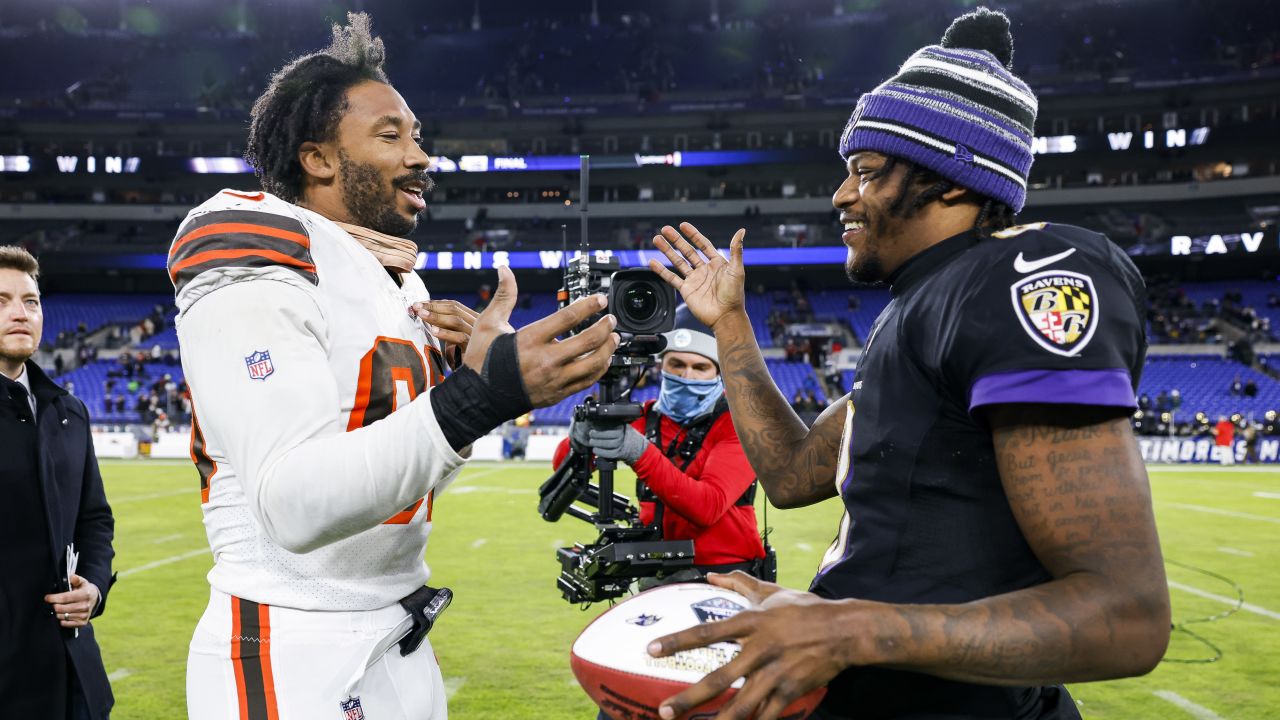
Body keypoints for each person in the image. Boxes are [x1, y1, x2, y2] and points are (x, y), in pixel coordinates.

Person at [642, 9, 1170, 719]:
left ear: (951, 177)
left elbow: (1126, 616)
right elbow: (793, 474)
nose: (840, 195)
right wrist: (730, 324)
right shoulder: (920, 303)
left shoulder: (1015, 279)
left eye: (864, 171)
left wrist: (848, 626)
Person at [172, 14, 618, 720]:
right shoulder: (256, 246)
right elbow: (292, 501)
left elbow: (404, 473)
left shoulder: (396, 283)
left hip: (398, 633)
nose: (421, 157)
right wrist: (479, 396)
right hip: (289, 641)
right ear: (318, 158)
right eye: (391, 136)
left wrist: (475, 388)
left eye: (417, 137)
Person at [553, 306, 767, 578]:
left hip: (725, 573)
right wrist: (578, 442)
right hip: (655, 572)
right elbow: (564, 469)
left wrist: (639, 452)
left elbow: (708, 506)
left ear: (718, 373)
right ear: (661, 366)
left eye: (700, 367)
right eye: (676, 365)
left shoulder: (738, 424)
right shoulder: (645, 416)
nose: (687, 376)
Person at [0, 246, 116, 718]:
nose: (20, 313)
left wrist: (93, 585)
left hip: (74, 677)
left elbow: (94, 519)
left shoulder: (68, 411)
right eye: (2, 299)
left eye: (31, 301)